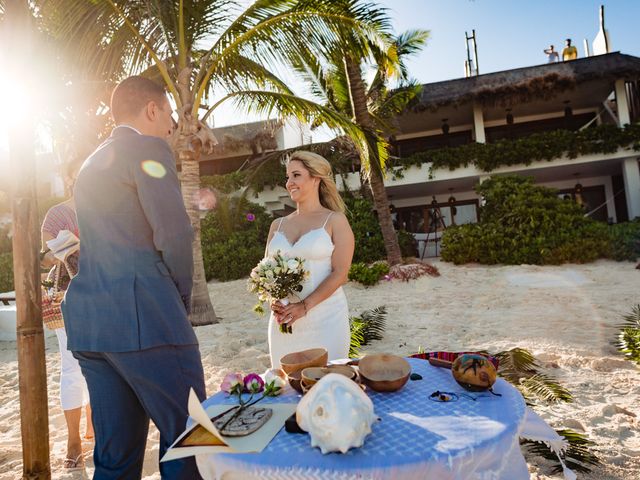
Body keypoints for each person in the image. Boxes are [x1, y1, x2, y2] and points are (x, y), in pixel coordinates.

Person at [62, 76, 206, 479]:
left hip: (92, 326)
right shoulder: (147, 147)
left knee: (115, 458)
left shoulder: (91, 163)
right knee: (190, 441)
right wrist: (177, 301)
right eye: (169, 116)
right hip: (147, 317)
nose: (171, 126)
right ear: (152, 109)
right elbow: (174, 233)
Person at [266, 151, 355, 368]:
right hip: (284, 323)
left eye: (296, 175)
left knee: (328, 382)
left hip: (326, 320)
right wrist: (272, 301)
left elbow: (340, 273)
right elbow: (266, 271)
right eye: (287, 177)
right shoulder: (277, 225)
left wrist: (304, 307)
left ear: (316, 178)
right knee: (286, 388)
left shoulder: (335, 220)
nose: (289, 183)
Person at [40, 159, 93, 470]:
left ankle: (91, 423)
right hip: (66, 296)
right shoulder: (56, 214)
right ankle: (73, 439)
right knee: (72, 363)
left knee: (99, 361)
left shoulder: (104, 210)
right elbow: (45, 257)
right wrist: (64, 251)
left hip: (103, 293)